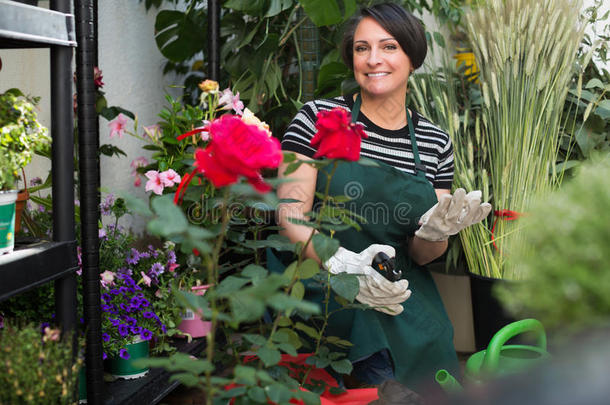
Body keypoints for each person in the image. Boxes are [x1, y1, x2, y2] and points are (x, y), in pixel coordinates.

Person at [274, 2, 491, 390]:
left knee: (435, 357)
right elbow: (291, 214)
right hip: (319, 279)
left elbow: (423, 256)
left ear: (412, 56)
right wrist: (343, 263)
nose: (374, 59)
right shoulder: (317, 118)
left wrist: (434, 233)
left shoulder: (434, 143)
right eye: (362, 48)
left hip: (399, 288)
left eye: (388, 47)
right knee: (374, 362)